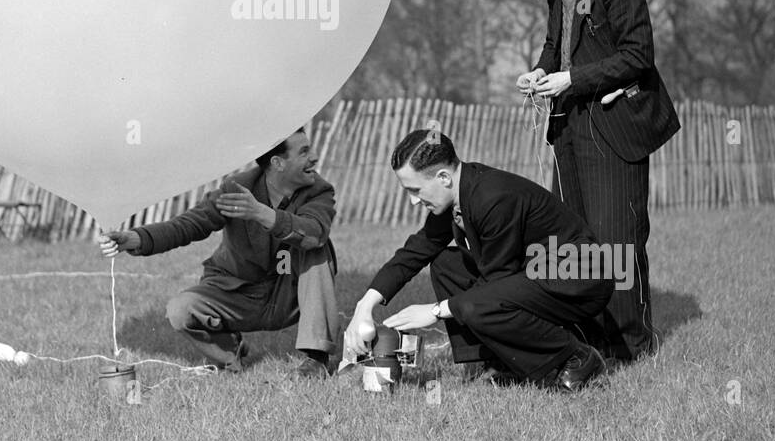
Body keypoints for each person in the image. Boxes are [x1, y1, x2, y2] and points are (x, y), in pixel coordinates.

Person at [511, 0, 680, 363]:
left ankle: (631, 347)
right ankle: (589, 338)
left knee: (617, 242)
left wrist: (573, 79)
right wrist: (540, 72)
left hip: (614, 126)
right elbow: (555, 44)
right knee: (574, 241)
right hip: (568, 125)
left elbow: (637, 56)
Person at [344, 128, 612, 391]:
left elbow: (497, 284)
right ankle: (494, 362)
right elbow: (415, 251)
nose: (414, 201)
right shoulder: (456, 194)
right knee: (446, 265)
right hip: (534, 273)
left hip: (577, 279)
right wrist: (364, 306)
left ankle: (575, 357)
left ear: (443, 177)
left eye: (415, 190)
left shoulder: (493, 197)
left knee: (478, 305)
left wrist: (436, 311)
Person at [99, 128, 338, 377]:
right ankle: (229, 355)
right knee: (181, 310)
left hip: (290, 296)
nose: (315, 157)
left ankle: (316, 359)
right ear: (277, 163)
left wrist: (261, 213)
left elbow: (314, 231)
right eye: (304, 152)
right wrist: (136, 238)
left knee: (316, 247)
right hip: (241, 293)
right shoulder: (237, 188)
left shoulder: (319, 191)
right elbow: (190, 224)